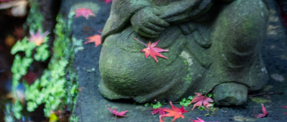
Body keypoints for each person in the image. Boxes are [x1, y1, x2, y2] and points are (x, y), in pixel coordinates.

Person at [98, 0, 270, 106]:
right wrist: (137, 10)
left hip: (214, 26)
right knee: (120, 72)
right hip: (158, 27)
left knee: (249, 10)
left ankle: (230, 74)